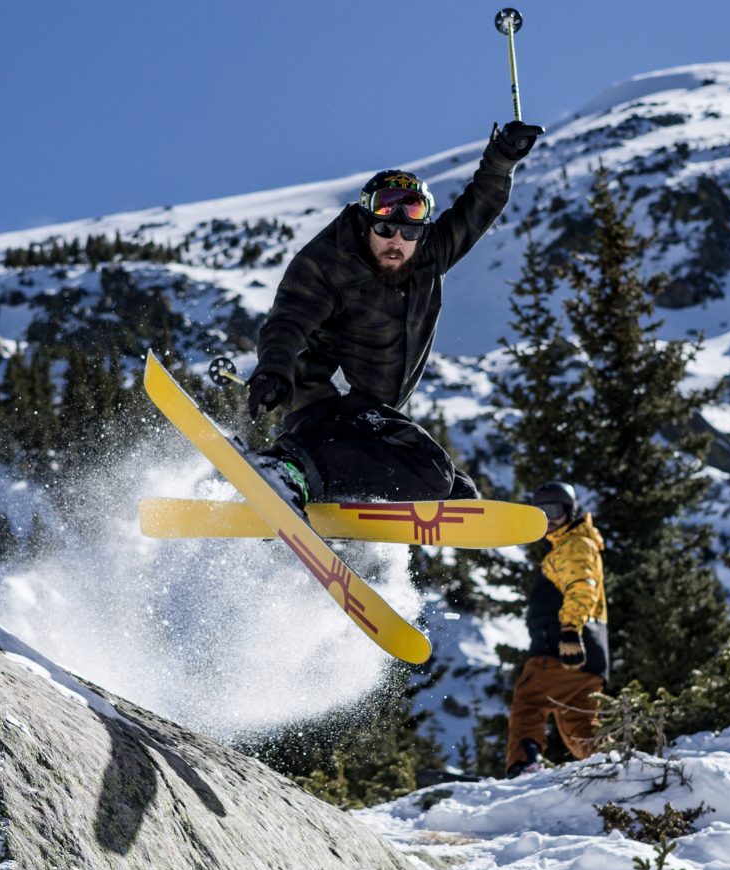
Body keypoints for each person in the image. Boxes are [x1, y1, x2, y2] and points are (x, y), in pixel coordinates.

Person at [244, 119, 545, 508]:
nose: (397, 243)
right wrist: (274, 370)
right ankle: (288, 470)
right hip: (321, 406)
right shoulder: (328, 262)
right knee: (432, 475)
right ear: (367, 222)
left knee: (457, 496)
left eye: (410, 233)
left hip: (370, 411)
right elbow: (288, 322)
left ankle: (330, 501)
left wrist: (502, 160)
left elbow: (479, 206)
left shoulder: (429, 254)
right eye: (386, 229)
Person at [505, 481, 609, 778]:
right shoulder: (577, 543)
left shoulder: (574, 545)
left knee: (529, 702)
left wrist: (569, 632)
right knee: (581, 726)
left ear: (570, 511)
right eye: (541, 512)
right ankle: (616, 764)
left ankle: (524, 764)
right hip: (593, 655)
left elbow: (581, 588)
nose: (548, 519)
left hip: (561, 647)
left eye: (554, 510)